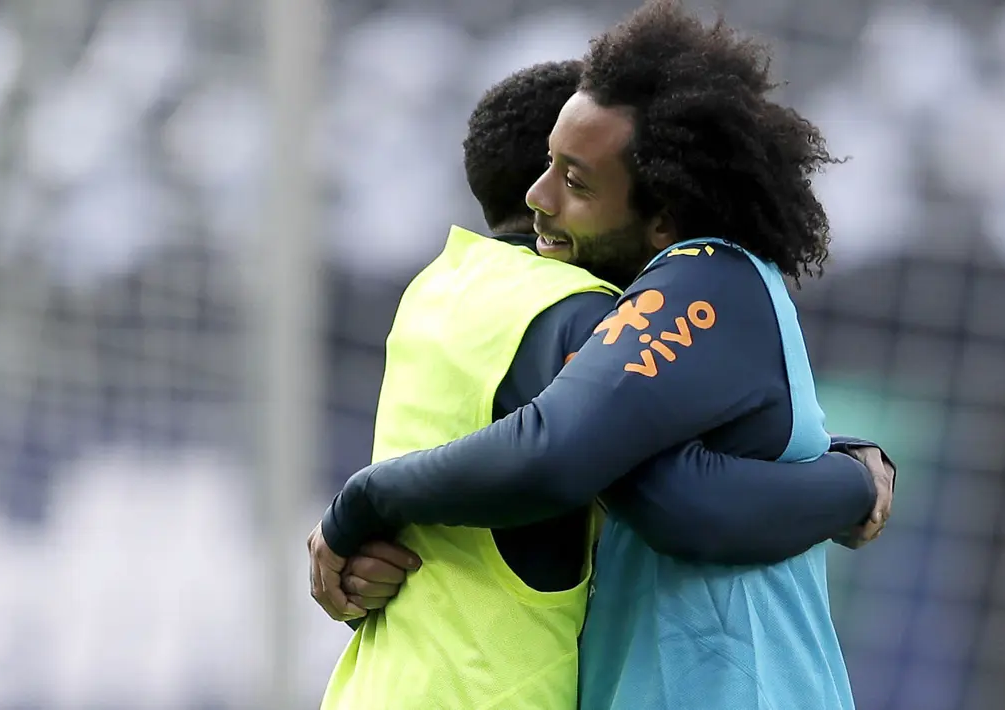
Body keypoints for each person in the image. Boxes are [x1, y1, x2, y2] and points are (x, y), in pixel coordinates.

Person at [314, 38, 893, 710]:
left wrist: (361, 503)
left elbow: (634, 484)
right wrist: (849, 473)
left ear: (664, 217)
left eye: (576, 180)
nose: (540, 194)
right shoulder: (657, 301)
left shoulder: (704, 276)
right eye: (549, 165)